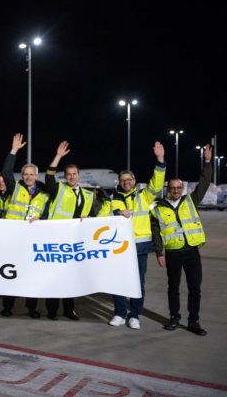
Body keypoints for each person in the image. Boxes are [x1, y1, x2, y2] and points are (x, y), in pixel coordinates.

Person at [152, 144, 211, 336]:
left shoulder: (191, 200)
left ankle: (193, 321)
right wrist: (159, 252)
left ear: (183, 188)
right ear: (167, 188)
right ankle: (174, 318)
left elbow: (204, 182)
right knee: (173, 287)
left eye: (179, 187)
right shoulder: (158, 207)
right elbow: (156, 232)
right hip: (173, 253)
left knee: (195, 288)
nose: (176, 190)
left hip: (192, 251)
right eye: (173, 187)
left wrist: (208, 162)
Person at [43, 141, 105, 321]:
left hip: (76, 241)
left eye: (74, 174)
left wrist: (91, 220)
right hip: (57, 238)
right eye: (68, 175)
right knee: (54, 276)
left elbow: (93, 215)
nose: (71, 177)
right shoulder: (58, 189)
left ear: (78, 175)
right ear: (65, 176)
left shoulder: (88, 194)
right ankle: (52, 310)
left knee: (71, 277)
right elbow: (48, 176)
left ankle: (69, 310)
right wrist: (58, 156)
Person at [108, 141, 166, 330]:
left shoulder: (144, 196)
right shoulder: (113, 199)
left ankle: (134, 315)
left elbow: (157, 183)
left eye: (129, 179)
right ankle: (119, 313)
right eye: (123, 180)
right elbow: (103, 217)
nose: (126, 182)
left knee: (137, 282)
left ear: (134, 181)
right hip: (118, 247)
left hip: (139, 247)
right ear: (119, 181)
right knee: (117, 281)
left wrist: (160, 160)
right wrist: (117, 213)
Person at [0, 133, 49, 318]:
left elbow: (46, 214)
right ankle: (7, 307)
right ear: (22, 175)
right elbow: (5, 173)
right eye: (25, 174)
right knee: (11, 273)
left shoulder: (44, 193)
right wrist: (13, 150)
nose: (28, 177)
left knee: (32, 275)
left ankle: (32, 307)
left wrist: (41, 220)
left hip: (33, 239)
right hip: (14, 238)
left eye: (31, 174)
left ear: (36, 175)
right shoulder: (15, 187)